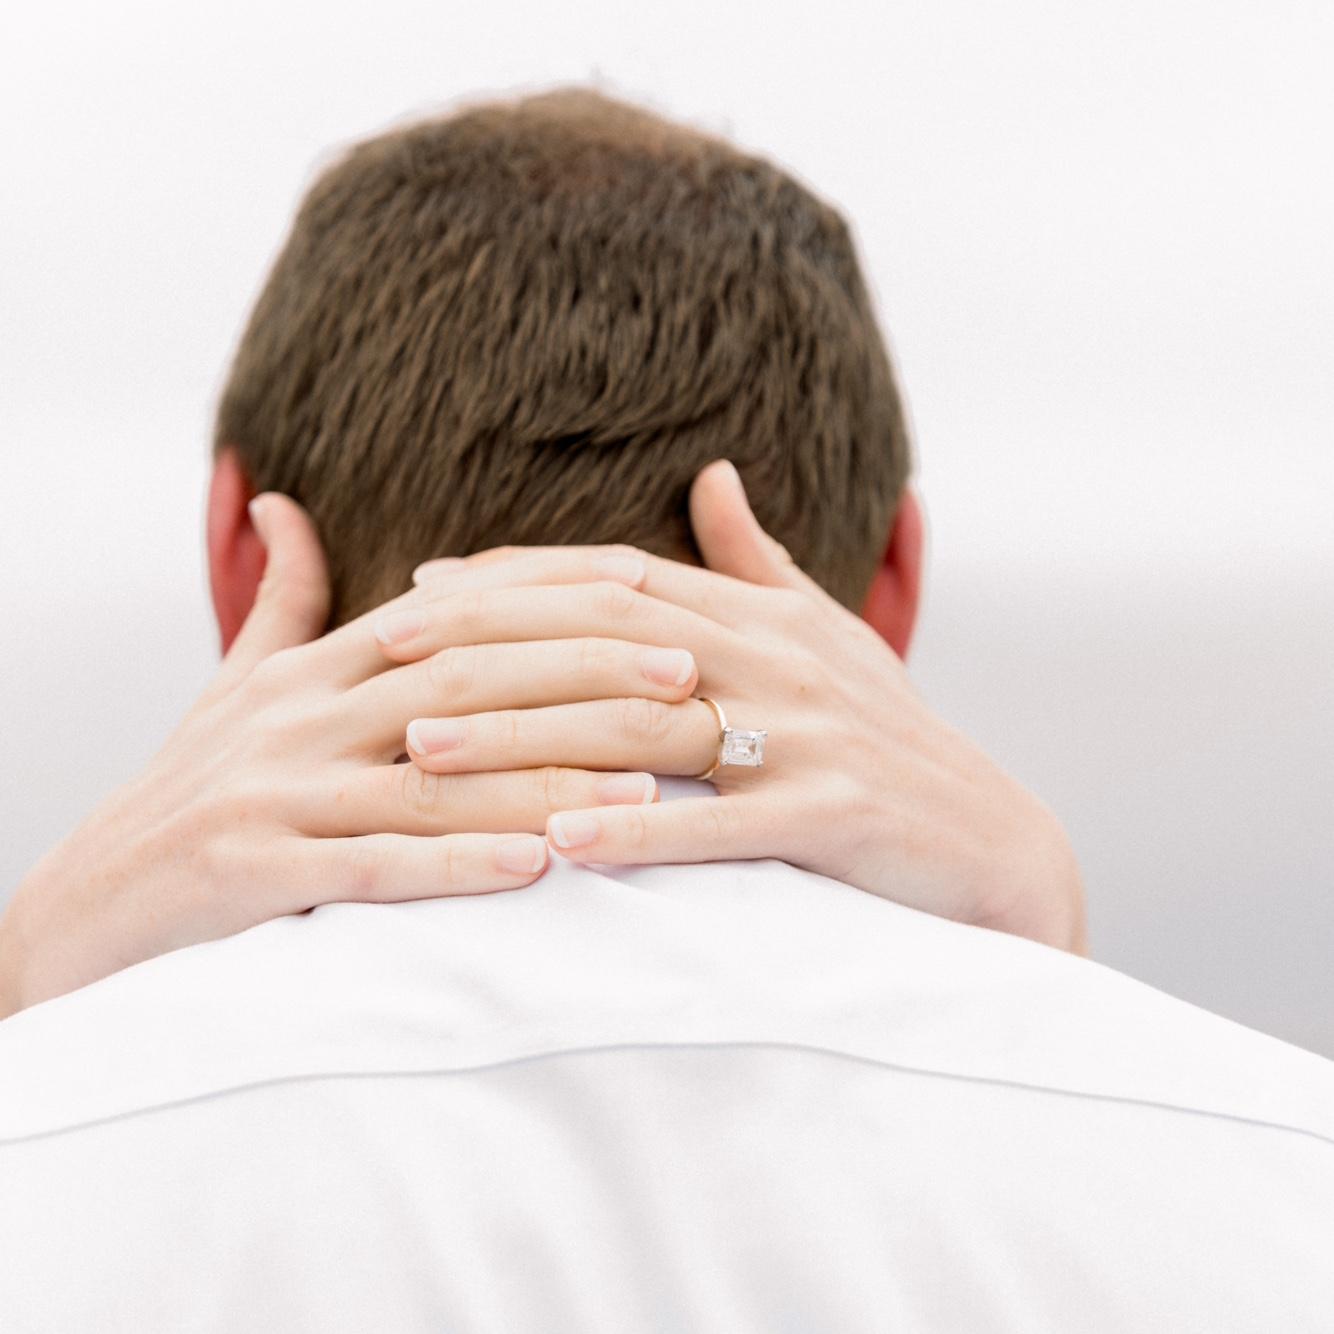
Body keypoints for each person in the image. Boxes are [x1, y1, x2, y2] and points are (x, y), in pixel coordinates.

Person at [1, 89, 1331, 1331]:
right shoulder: (1280, 1177)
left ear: (236, 556)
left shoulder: (44, 1161)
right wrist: (1050, 985)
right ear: (892, 585)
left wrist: (28, 1016)